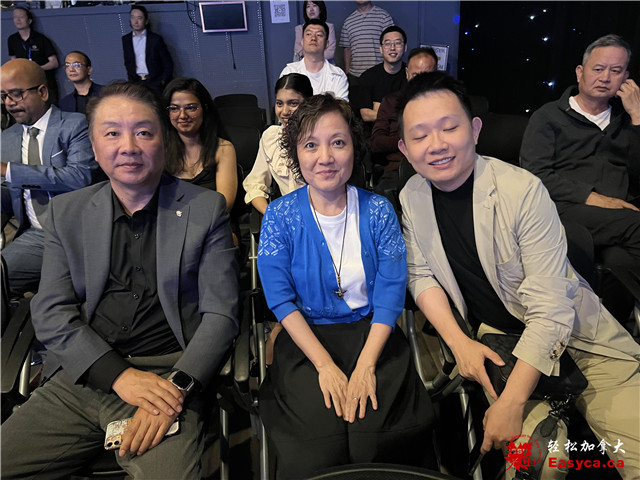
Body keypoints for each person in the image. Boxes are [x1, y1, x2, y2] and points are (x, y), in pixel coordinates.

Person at [398, 72, 640, 479]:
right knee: (542, 464)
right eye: (420, 136)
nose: (436, 145)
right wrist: (460, 343)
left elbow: (550, 311)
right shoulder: (413, 196)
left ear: (475, 129)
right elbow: (421, 274)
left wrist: (510, 403)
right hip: (502, 345)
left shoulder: (521, 190)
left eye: (449, 128)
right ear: (405, 149)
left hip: (579, 336)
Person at [0, 81, 239, 479]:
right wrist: (119, 376)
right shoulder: (68, 212)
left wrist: (176, 388)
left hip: (168, 379)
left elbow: (221, 315)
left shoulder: (204, 209)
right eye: (112, 133)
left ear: (164, 141)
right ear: (94, 148)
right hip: (83, 376)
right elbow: (52, 311)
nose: (128, 146)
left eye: (143, 132)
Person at [257, 94, 432, 479]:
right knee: (319, 447)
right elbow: (280, 300)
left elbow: (390, 294)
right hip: (305, 338)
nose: (325, 157)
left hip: (374, 334)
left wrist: (366, 365)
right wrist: (325, 366)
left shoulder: (379, 210)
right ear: (296, 152)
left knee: (378, 441)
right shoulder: (280, 215)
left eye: (338, 142)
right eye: (310, 145)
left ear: (355, 147)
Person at [520, 34, 640, 267]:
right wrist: (595, 198)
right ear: (580, 72)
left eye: (615, 71)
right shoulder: (548, 116)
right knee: (636, 226)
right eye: (598, 69)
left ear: (626, 79)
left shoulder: (627, 119)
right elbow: (536, 175)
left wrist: (637, 116)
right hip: (567, 209)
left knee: (620, 261)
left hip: (619, 212)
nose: (605, 78)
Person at [1, 58, 96, 295]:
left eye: (16, 94)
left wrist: (8, 170)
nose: (9, 103)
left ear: (42, 92)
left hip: (78, 233)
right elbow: (6, 196)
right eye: (3, 96)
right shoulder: (7, 138)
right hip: (35, 235)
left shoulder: (75, 125)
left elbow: (79, 177)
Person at [162, 77, 237, 212]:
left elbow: (224, 206)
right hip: (171, 222)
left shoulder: (223, 148)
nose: (182, 115)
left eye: (190, 108)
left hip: (214, 221)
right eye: (174, 108)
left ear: (204, 108)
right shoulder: (159, 150)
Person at [369, 47, 438, 191]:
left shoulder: (446, 103)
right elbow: (376, 143)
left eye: (426, 76)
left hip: (436, 166)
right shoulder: (391, 102)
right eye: (415, 75)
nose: (420, 82)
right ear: (407, 73)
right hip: (397, 170)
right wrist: (410, 139)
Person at [243, 73, 312, 215]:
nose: (285, 112)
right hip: (286, 217)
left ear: (308, 104)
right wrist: (272, 215)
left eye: (293, 103)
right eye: (279, 103)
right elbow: (255, 185)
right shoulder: (271, 137)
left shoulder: (322, 138)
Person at [280, 19, 349, 100]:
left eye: (319, 35)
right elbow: (285, 105)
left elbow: (341, 107)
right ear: (302, 42)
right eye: (308, 34)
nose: (313, 38)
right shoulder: (289, 72)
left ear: (327, 44)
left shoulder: (338, 75)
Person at [7, 6, 59, 105]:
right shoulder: (12, 39)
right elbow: (13, 62)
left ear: (29, 20)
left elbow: (54, 63)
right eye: (15, 17)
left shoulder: (41, 38)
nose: (18, 19)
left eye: (21, 16)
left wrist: (36, 68)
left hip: (43, 81)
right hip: (24, 84)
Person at [355, 26, 408, 123]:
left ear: (405, 47)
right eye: (387, 44)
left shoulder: (411, 74)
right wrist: (399, 112)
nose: (392, 48)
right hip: (374, 130)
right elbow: (366, 115)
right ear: (381, 49)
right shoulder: (367, 77)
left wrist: (380, 109)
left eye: (397, 43)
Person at [122, 5, 173, 94]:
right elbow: (128, 62)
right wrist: (131, 81)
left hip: (155, 82)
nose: (135, 21)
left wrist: (162, 81)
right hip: (136, 82)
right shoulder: (126, 39)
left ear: (146, 21)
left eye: (139, 18)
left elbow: (168, 63)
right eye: (133, 17)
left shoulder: (155, 39)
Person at [338, 1, 393, 81]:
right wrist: (347, 73)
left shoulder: (384, 17)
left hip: (379, 74)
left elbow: (391, 43)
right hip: (355, 76)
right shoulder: (348, 22)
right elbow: (347, 49)